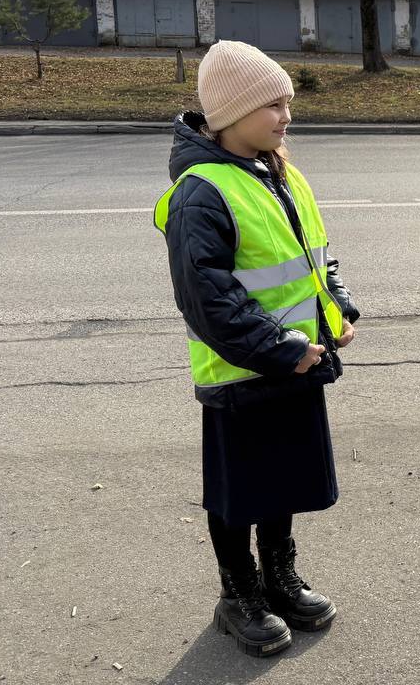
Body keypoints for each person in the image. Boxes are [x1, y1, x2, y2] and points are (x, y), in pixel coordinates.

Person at [153, 40, 359, 657]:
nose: (285, 114)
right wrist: (278, 347)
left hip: (296, 361)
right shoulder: (201, 192)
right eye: (271, 103)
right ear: (229, 114)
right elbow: (208, 299)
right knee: (238, 493)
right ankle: (237, 593)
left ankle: (278, 577)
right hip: (242, 375)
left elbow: (316, 257)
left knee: (283, 482)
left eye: (287, 101)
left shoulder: (281, 172)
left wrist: (337, 310)